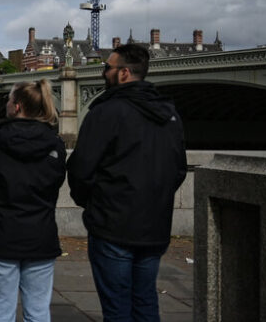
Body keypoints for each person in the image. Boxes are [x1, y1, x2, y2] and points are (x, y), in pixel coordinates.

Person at [67, 44, 186, 321]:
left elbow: (81, 168)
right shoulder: (170, 116)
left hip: (113, 226)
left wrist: (93, 203)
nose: (103, 72)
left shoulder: (105, 112)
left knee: (117, 307)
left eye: (106, 67)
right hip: (155, 227)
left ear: (122, 74)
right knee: (145, 301)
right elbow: (178, 169)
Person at [0, 79, 67, 322]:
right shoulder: (56, 145)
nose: (6, 103)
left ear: (16, 107)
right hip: (41, 236)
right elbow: (55, 184)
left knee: (1, 309)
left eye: (8, 99)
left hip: (1, 234)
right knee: (38, 312)